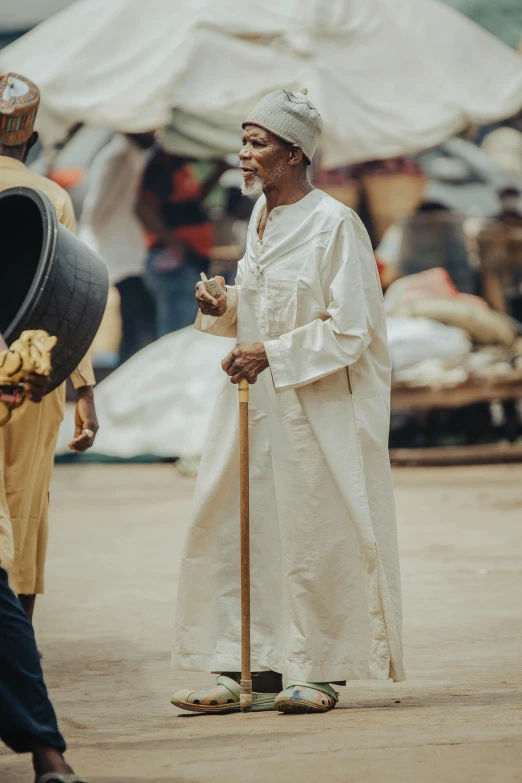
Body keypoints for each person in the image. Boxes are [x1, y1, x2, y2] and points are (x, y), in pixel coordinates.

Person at [171, 89, 404, 715]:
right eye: (243, 142)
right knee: (237, 523)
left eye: (258, 143)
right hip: (258, 401)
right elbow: (266, 300)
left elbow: (352, 330)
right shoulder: (261, 217)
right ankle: (246, 665)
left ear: (294, 152)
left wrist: (270, 351)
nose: (243, 155)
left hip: (317, 411)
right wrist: (226, 308)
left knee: (313, 531)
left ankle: (320, 669)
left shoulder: (335, 225)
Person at [0, 73, 89, 783]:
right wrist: (83, 387)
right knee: (21, 527)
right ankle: (40, 737)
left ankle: (39, 738)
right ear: (30, 137)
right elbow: (73, 297)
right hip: (30, 382)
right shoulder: (49, 195)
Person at [80, 132, 157, 364]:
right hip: (121, 251)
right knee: (137, 322)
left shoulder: (133, 152)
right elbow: (96, 206)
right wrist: (91, 243)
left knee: (135, 321)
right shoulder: (117, 154)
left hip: (131, 250)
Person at [135, 148, 228, 336]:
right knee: (176, 336)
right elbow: (142, 207)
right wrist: (173, 243)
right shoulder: (161, 166)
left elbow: (190, 203)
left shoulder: (178, 166)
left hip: (187, 262)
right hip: (177, 265)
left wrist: (218, 172)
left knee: (184, 333)